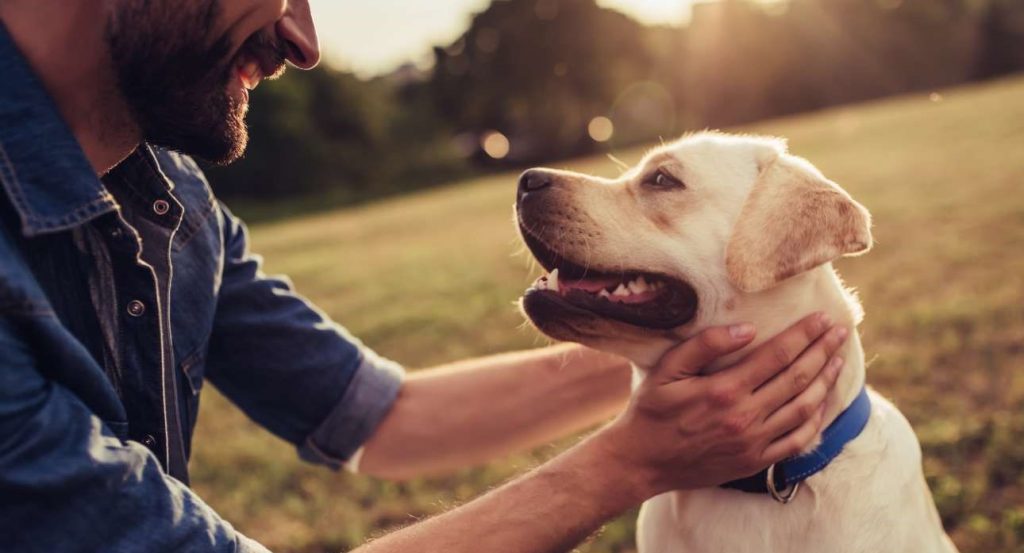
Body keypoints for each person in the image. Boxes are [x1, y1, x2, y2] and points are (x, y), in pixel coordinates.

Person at [0, 1, 849, 552]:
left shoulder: (169, 200)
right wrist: (625, 465)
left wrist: (706, 346)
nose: (302, 40)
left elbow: (386, 417)